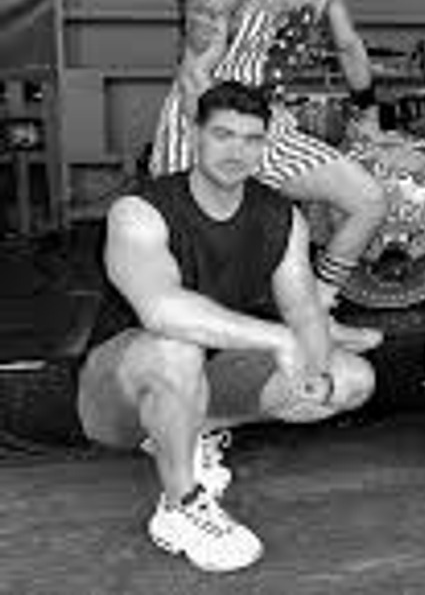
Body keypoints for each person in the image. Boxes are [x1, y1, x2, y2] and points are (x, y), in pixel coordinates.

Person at [77, 81, 375, 572]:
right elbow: (161, 310)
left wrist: (316, 366)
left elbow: (303, 312)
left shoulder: (280, 216)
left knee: (351, 380)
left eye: (252, 139)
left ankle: (197, 430)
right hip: (118, 392)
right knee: (177, 348)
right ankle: (181, 506)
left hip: (206, 374)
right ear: (195, 134)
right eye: (223, 135)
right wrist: (277, 339)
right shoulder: (141, 211)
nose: (237, 151)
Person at [149, 0, 387, 348]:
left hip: (267, 122)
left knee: (368, 200)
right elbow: (194, 74)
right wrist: (218, 146)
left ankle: (317, 313)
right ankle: (189, 343)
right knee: (188, 244)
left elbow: (348, 46)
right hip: (202, 121)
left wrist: (369, 112)